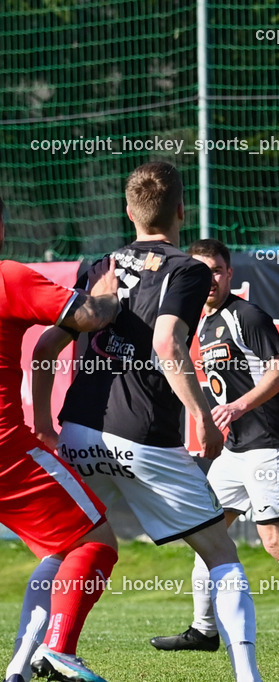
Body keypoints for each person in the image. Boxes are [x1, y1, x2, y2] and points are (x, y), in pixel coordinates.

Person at [32, 162, 262, 682]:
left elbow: (47, 347)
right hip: (142, 435)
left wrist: (47, 426)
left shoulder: (97, 266)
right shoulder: (187, 269)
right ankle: (249, 676)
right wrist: (202, 417)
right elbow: (166, 342)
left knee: (70, 544)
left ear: (128, 213)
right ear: (182, 211)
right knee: (221, 553)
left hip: (80, 427)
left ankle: (34, 657)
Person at [148, 238, 279, 654]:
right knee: (203, 534)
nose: (208, 278)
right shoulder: (202, 321)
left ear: (229, 274)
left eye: (215, 270)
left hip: (270, 443)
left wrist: (240, 405)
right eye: (200, 271)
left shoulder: (245, 314)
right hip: (237, 449)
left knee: (277, 540)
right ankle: (204, 630)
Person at [1, 194, 120, 682]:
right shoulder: (9, 276)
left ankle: (20, 667)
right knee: (95, 541)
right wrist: (109, 293)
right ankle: (58, 650)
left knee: (60, 546)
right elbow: (88, 317)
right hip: (6, 453)